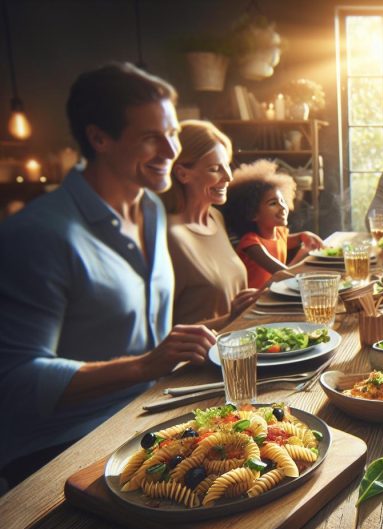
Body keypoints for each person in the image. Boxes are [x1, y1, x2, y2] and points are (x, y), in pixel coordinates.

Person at [0, 63, 217, 488]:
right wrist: (144, 366)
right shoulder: (39, 234)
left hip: (148, 419)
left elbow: (145, 337)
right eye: (151, 137)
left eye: (172, 133)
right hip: (61, 450)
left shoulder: (152, 209)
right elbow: (16, 382)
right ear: (99, 138)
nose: (171, 151)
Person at [161, 120, 260, 326]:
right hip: (199, 358)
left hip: (238, 350)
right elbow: (159, 337)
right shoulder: (166, 235)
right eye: (215, 169)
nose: (228, 177)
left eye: (227, 165)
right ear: (182, 174)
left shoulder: (216, 217)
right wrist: (229, 319)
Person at [221, 159, 324, 289]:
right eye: (273, 203)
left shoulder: (279, 233)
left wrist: (305, 235)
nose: (282, 207)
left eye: (282, 201)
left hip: (273, 295)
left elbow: (293, 240)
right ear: (252, 214)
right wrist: (304, 254)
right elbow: (283, 274)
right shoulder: (251, 244)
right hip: (255, 302)